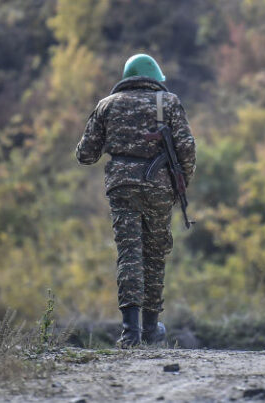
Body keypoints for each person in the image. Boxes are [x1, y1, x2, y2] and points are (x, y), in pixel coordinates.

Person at [75, 54, 196, 348]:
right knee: (154, 255)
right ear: (154, 77)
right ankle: (152, 330)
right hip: (158, 188)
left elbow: (85, 155)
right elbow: (187, 149)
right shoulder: (167, 102)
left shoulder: (106, 105)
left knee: (129, 253)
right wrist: (180, 183)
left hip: (121, 187)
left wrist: (116, 139)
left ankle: (130, 332)